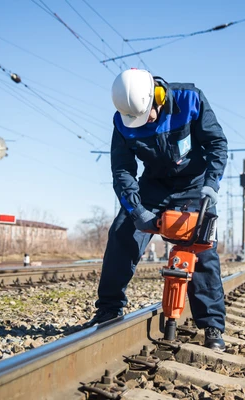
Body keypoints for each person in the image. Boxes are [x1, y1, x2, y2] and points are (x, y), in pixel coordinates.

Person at [83, 69, 228, 351]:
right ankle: (109, 310)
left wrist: (211, 185)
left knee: (202, 251)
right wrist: (137, 211)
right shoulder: (123, 121)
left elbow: (216, 144)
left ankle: (211, 325)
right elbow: (122, 170)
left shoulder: (190, 100)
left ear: (157, 98)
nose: (142, 123)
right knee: (122, 234)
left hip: (195, 186)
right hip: (153, 188)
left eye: (145, 115)